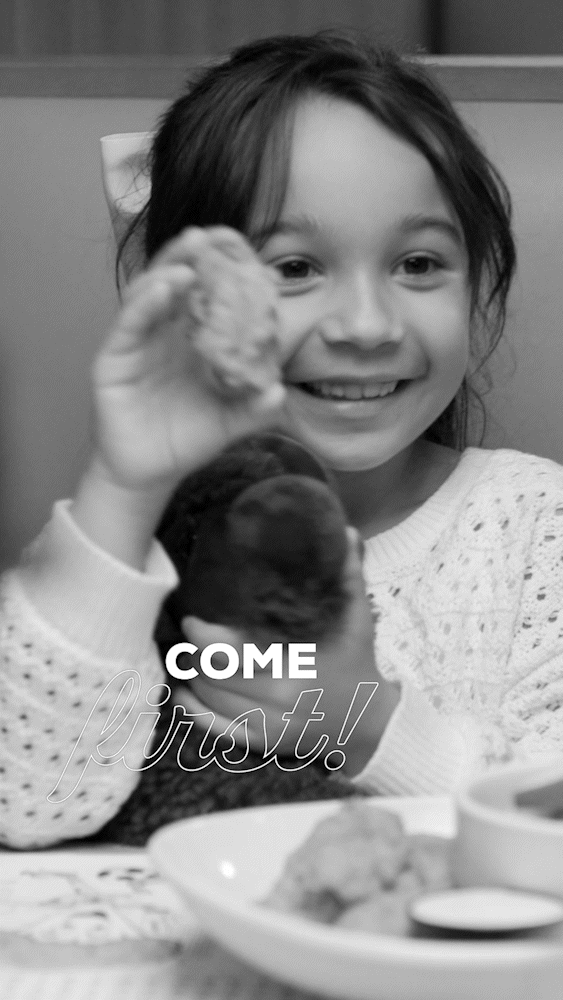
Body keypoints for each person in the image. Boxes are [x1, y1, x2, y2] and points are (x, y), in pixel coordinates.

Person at [2, 30, 562, 850]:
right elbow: (23, 798)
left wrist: (368, 727)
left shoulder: (531, 527)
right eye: (294, 267)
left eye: (417, 263)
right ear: (187, 294)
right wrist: (123, 490)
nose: (367, 326)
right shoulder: (127, 541)